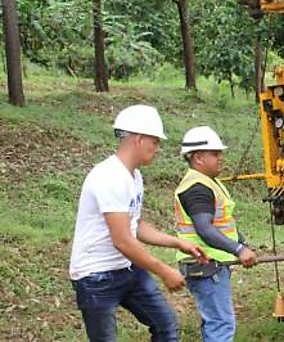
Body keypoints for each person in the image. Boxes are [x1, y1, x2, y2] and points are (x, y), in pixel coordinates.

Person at [69, 104, 208, 342]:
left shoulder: (134, 176)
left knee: (166, 326)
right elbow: (122, 240)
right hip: (96, 277)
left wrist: (178, 243)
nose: (157, 148)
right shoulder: (110, 177)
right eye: (155, 141)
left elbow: (135, 224)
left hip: (127, 269)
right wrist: (164, 271)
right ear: (139, 139)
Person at [174, 126, 258, 342]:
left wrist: (243, 243)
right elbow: (205, 229)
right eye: (215, 154)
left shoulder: (208, 182)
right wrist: (238, 249)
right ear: (198, 157)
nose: (220, 158)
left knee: (214, 321)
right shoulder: (197, 187)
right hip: (206, 264)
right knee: (221, 324)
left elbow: (223, 221)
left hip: (211, 265)